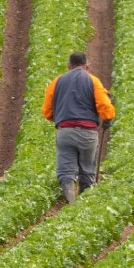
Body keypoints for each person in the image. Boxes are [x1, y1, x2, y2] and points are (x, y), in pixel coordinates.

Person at [41, 51, 116, 203]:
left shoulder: (57, 81)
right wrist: (107, 118)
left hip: (65, 132)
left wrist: (60, 119)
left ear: (69, 66)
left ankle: (70, 199)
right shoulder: (93, 80)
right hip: (88, 133)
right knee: (87, 170)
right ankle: (83, 203)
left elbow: (47, 110)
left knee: (66, 171)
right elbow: (104, 104)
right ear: (87, 65)